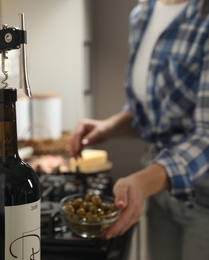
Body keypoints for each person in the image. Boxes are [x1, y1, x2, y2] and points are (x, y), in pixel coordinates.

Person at [70, 0, 209, 259]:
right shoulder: (143, 13)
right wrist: (109, 127)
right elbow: (150, 110)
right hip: (159, 184)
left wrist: (142, 182)